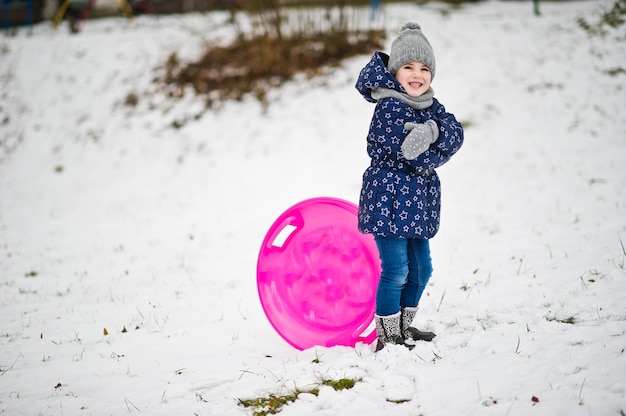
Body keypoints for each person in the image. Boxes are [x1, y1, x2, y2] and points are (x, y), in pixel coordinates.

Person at [355, 22, 464, 351]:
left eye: (424, 68)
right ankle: (387, 337)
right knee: (397, 269)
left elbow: (454, 132)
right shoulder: (388, 107)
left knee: (421, 269)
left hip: (415, 204)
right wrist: (433, 142)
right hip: (388, 201)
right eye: (408, 67)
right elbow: (412, 155)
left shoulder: (431, 107)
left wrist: (431, 131)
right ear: (395, 72)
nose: (416, 74)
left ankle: (403, 326)